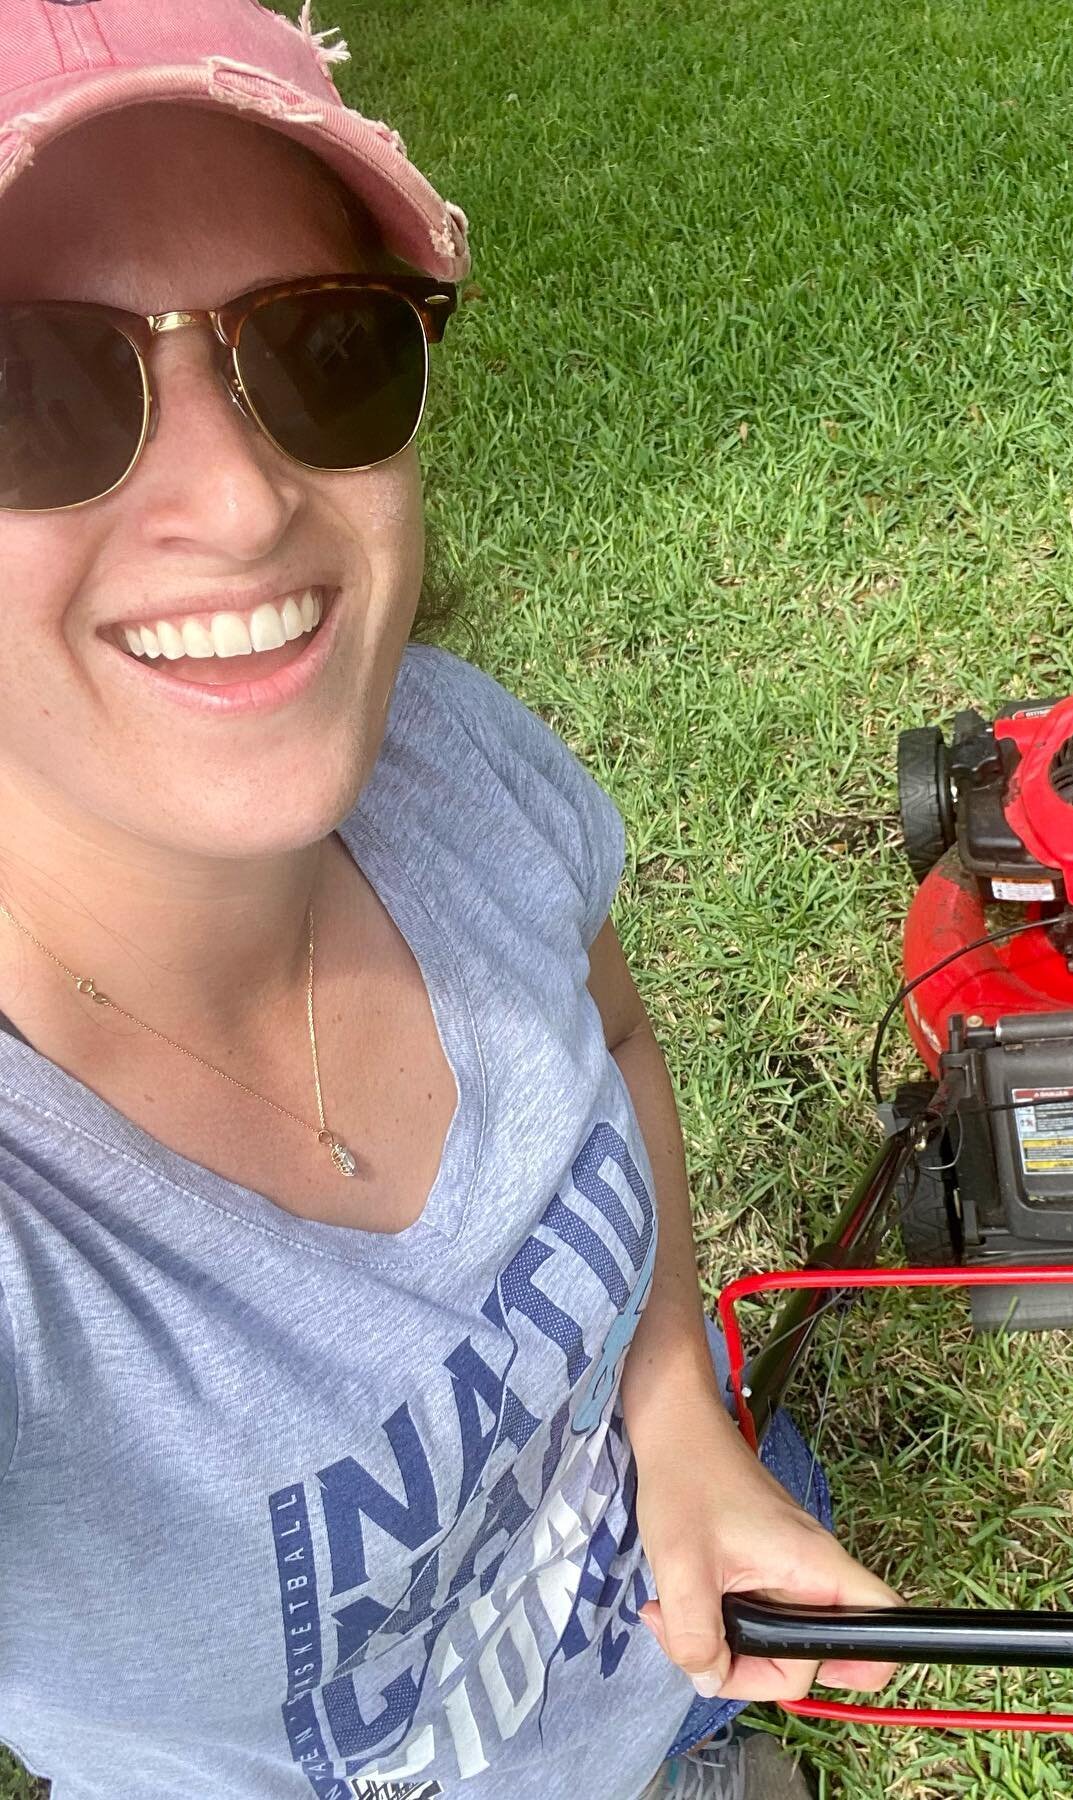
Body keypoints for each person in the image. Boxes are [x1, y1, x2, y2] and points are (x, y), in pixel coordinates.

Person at [0, 3, 898, 1798]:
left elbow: (611, 1025)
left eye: (321, 353)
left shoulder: (455, 764)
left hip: (686, 1671)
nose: (244, 502)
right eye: (31, 390)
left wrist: (677, 1422)